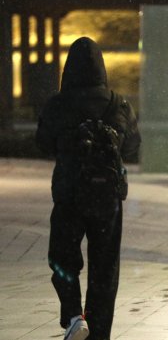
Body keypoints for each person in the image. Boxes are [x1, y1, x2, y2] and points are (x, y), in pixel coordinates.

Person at [36, 37, 141, 340]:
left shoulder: (58, 103)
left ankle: (73, 315)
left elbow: (43, 143)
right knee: (105, 268)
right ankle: (100, 333)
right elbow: (133, 147)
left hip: (70, 193)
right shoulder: (118, 103)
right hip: (107, 197)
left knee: (63, 257)